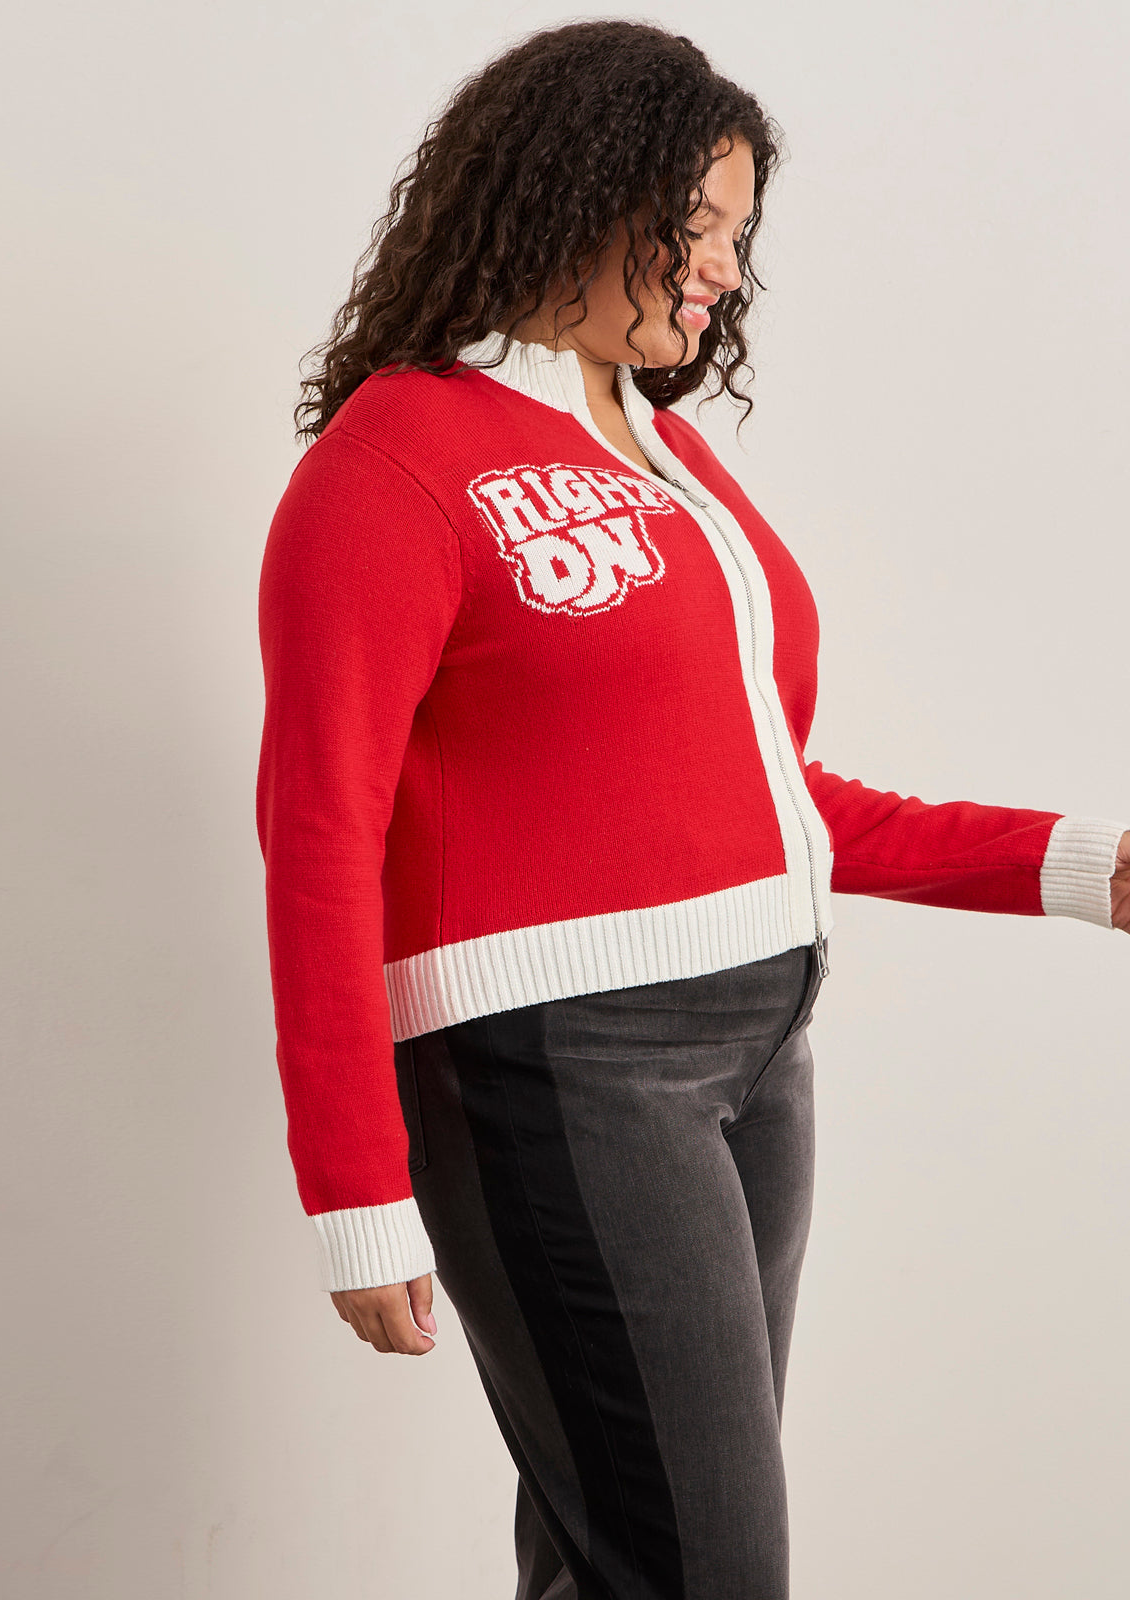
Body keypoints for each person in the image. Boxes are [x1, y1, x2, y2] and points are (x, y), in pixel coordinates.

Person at [254, 19, 1130, 1599]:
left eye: (741, 230)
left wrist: (1079, 864)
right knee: (702, 1566)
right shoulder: (395, 461)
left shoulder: (670, 456)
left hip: (756, 1054)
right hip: (564, 1071)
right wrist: (356, 1185)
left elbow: (773, 795)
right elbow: (320, 826)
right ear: (575, 194)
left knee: (628, 1551)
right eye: (699, 220)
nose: (726, 265)